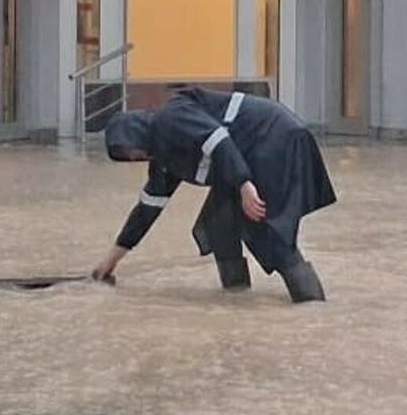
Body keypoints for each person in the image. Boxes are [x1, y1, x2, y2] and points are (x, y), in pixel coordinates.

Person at [92, 88, 333, 303]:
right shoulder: (164, 158)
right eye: (128, 156)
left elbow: (217, 140)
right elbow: (147, 210)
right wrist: (112, 260)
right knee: (220, 224)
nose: (135, 157)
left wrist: (244, 184)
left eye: (130, 150)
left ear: (135, 132)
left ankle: (312, 307)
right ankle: (237, 297)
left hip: (272, 138)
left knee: (270, 232)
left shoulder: (172, 116)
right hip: (253, 154)